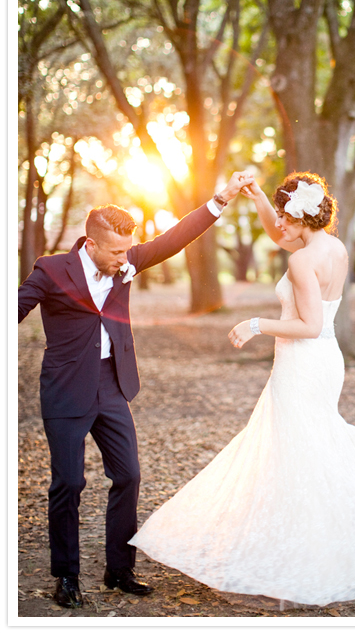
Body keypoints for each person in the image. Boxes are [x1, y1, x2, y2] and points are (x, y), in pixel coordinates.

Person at [129, 172, 355, 607]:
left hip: (302, 363)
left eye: (283, 215)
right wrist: (259, 196)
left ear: (299, 216)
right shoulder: (330, 247)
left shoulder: (302, 261)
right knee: (309, 447)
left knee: (296, 451)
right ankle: (319, 550)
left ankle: (307, 560)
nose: (278, 223)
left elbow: (310, 326)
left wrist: (257, 324)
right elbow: (284, 243)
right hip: (324, 362)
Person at [17, 171, 254, 609]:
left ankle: (119, 568)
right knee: (68, 483)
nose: (124, 259)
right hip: (66, 391)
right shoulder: (51, 269)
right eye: (115, 251)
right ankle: (66, 576)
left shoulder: (127, 260)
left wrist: (221, 198)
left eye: (128, 250)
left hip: (112, 385)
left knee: (128, 475)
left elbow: (176, 237)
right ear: (90, 244)